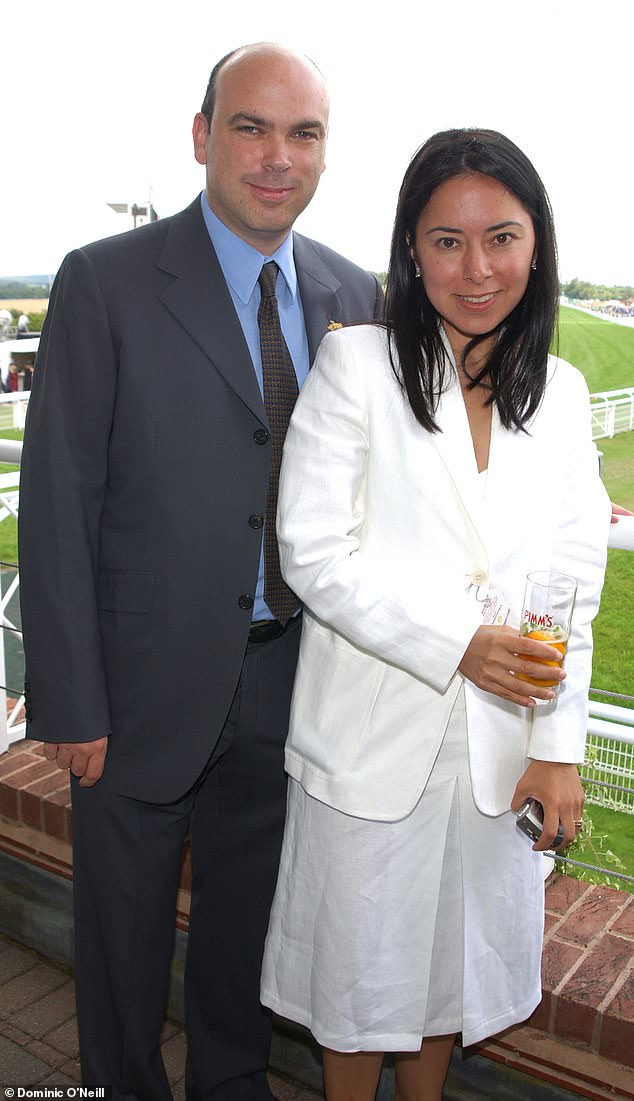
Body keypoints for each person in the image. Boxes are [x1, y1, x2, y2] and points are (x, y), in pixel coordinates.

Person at [18, 43, 382, 1101]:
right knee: (122, 953)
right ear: (201, 136)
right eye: (251, 127)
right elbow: (60, 501)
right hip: (132, 695)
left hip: (288, 687)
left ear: (323, 151)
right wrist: (70, 700)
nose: (277, 157)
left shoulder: (349, 294)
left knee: (244, 944)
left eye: (302, 133)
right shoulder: (106, 281)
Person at [260, 129, 611, 1100]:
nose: (476, 266)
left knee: (444, 982)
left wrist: (559, 744)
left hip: (498, 750)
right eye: (445, 240)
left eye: (499, 236)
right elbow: (312, 551)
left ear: (535, 244)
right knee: (359, 983)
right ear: (410, 249)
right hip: (375, 738)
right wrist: (455, 645)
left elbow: (571, 585)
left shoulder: (564, 394)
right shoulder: (359, 368)